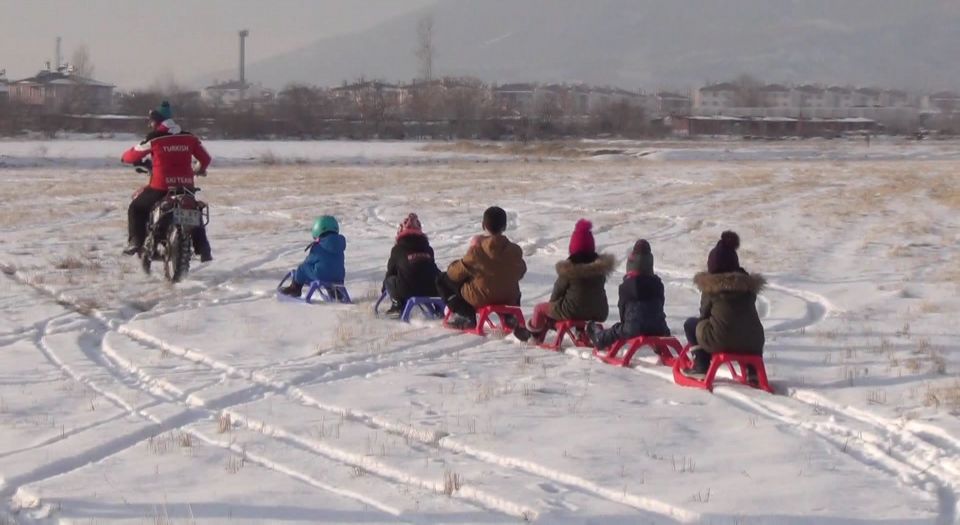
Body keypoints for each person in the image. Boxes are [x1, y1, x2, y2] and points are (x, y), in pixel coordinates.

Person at [121, 101, 213, 261]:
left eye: (151, 121)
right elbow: (205, 158)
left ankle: (136, 241)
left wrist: (125, 157)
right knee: (192, 210)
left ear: (157, 121)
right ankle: (203, 248)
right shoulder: (189, 137)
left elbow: (131, 156)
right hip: (186, 186)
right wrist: (198, 169)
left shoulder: (155, 139)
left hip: (161, 186)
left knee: (136, 208)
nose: (150, 124)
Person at [680, 231, 765, 379]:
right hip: (753, 342)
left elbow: (704, 314)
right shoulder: (748, 286)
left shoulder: (711, 287)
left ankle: (701, 364)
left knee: (692, 324)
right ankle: (753, 371)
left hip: (721, 340)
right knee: (745, 326)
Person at [514, 219, 615, 342]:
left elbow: (558, 291)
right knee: (581, 301)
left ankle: (533, 334)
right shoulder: (600, 270)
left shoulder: (569, 270)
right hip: (599, 310)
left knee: (539, 309)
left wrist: (552, 309)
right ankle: (580, 331)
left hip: (571, 311)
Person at [437, 206, 526, 330]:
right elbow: (521, 271)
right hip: (509, 297)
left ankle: (466, 315)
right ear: (505, 226)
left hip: (481, 297)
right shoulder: (515, 250)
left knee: (443, 280)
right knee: (508, 282)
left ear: (483, 225)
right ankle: (510, 316)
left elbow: (454, 273)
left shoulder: (477, 251)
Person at [587, 239, 671, 349]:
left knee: (617, 330)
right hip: (659, 327)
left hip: (633, 328)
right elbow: (660, 305)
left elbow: (622, 307)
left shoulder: (627, 285)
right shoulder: (658, 283)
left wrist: (625, 324)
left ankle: (600, 338)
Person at [382, 213, 441, 318]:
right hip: (431, 289)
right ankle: (439, 307)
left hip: (407, 289)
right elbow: (434, 269)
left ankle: (397, 305)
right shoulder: (428, 249)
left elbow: (391, 271)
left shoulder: (397, 249)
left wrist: (385, 288)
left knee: (389, 280)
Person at [279, 215, 347, 298]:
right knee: (330, 269)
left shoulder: (319, 245)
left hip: (321, 275)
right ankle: (335, 293)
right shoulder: (339, 245)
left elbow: (309, 261)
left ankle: (295, 288)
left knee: (302, 268)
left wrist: (304, 269)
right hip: (339, 276)